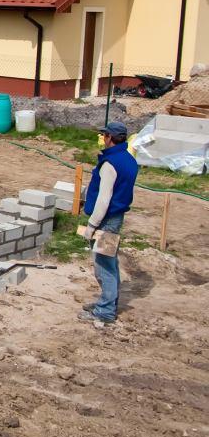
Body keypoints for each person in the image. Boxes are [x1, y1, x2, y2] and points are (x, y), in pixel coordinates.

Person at [78, 121, 138, 326]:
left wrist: (92, 226)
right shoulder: (128, 159)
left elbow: (104, 199)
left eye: (105, 135)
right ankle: (106, 302)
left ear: (110, 138)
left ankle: (105, 311)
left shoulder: (111, 164)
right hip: (116, 217)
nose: (103, 138)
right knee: (109, 262)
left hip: (106, 221)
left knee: (104, 265)